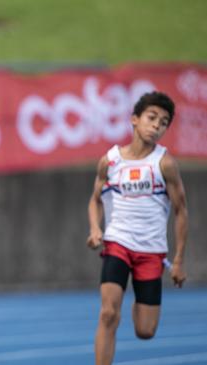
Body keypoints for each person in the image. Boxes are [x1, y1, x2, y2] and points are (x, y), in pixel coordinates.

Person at [87, 91, 188, 365]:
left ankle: (137, 299)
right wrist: (96, 228)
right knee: (108, 313)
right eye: (152, 118)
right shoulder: (110, 161)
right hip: (117, 243)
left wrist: (178, 260)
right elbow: (94, 201)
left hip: (151, 250)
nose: (157, 125)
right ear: (135, 119)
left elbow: (181, 211)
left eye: (164, 122)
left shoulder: (164, 164)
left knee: (145, 330)